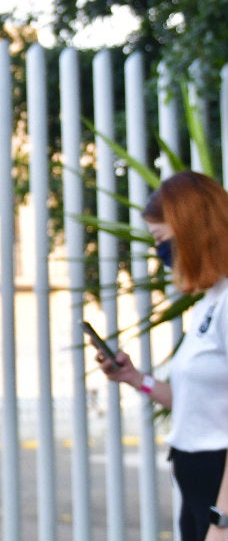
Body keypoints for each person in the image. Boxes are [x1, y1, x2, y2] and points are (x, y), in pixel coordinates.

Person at [98, 171, 228, 541]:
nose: (160, 253)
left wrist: (223, 520)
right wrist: (136, 379)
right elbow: (193, 401)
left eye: (161, 239)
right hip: (199, 486)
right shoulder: (209, 302)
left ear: (191, 230)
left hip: (218, 487)